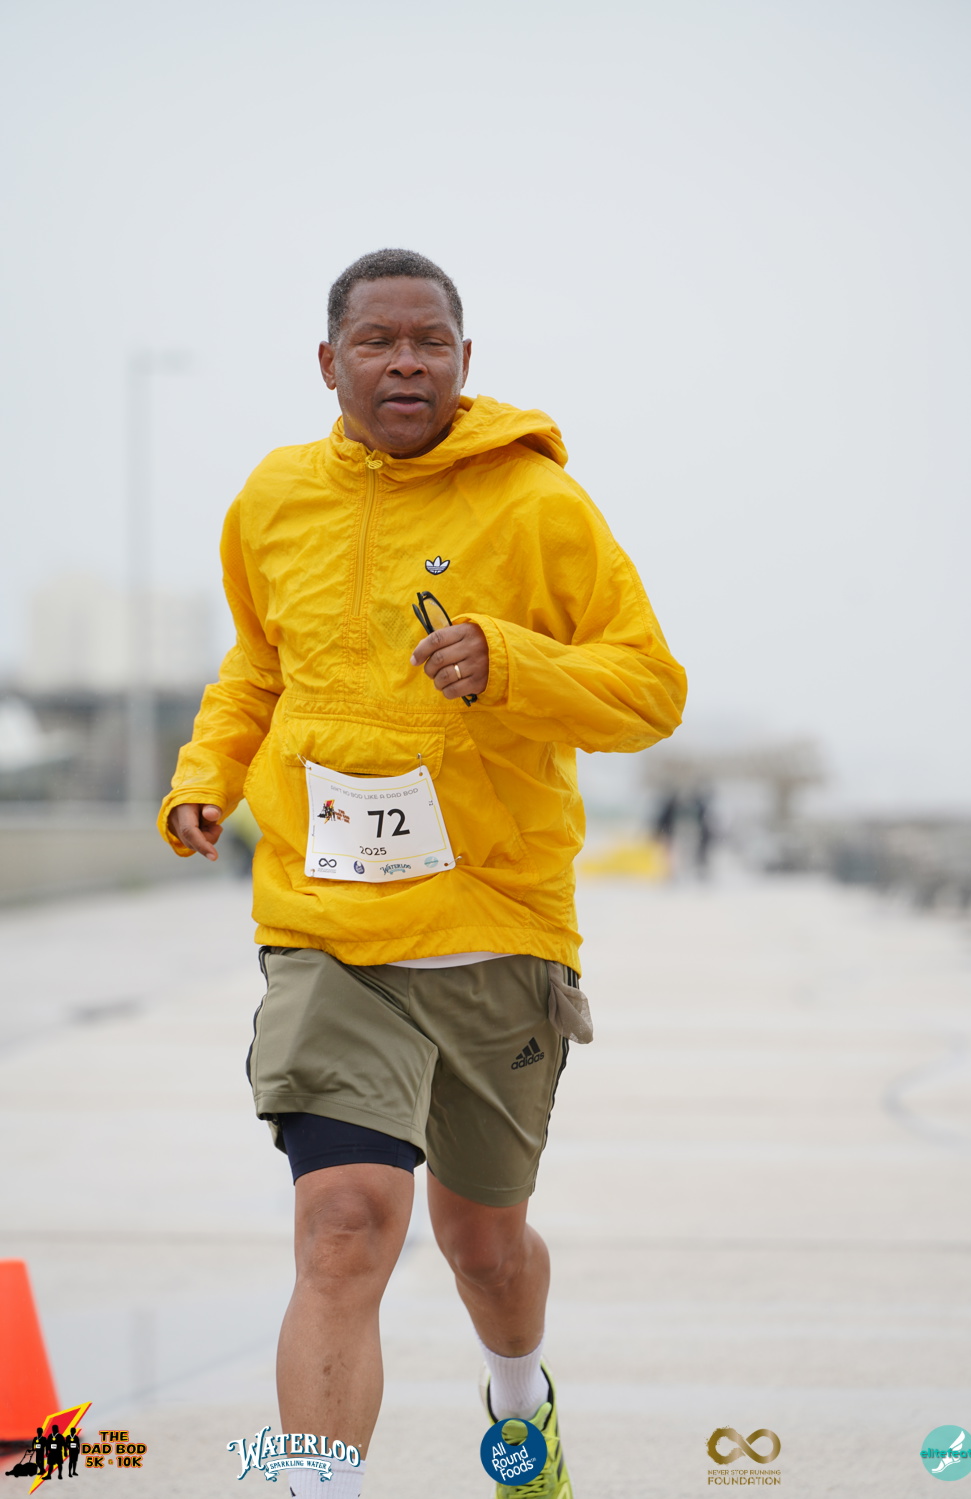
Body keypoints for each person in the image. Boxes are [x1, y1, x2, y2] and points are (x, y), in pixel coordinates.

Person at [160, 249, 686, 1499]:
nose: (407, 363)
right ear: (328, 361)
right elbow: (257, 665)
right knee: (344, 1225)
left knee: (483, 1242)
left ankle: (519, 1404)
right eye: (379, 341)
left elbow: (649, 688)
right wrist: (206, 774)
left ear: (464, 359)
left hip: (494, 922)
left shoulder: (537, 504)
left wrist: (512, 662)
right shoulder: (273, 497)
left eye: (430, 342)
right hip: (327, 924)